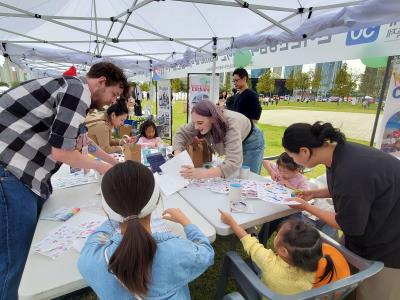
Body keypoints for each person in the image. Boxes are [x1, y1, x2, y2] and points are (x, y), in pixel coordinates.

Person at [0, 62, 129, 298]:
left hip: (19, 172)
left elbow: (84, 142)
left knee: (25, 251)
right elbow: (60, 153)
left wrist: (114, 164)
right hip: (9, 172)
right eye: (114, 93)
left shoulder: (73, 92)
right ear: (101, 81)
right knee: (13, 259)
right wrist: (103, 168)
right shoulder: (77, 90)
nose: (112, 101)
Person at [282, 121, 400, 300]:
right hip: (369, 229)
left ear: (304, 151)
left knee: (373, 293)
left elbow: (348, 224)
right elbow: (348, 190)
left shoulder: (351, 170)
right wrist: (314, 193)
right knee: (343, 281)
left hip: (390, 243)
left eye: (292, 156)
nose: (294, 160)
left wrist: (306, 206)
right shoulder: (338, 154)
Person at [78, 161, 214, 299]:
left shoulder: (90, 258)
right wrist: (186, 222)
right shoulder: (176, 251)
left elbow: (97, 237)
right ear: (156, 202)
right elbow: (206, 253)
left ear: (106, 209)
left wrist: (120, 212)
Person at [218, 212, 340, 296]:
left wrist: (231, 222)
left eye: (277, 234)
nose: (276, 235)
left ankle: (252, 233)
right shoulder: (314, 266)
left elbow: (250, 244)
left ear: (283, 251)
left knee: (252, 258)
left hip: (266, 293)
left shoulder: (269, 263)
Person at [173, 100, 265, 178]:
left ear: (213, 119)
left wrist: (203, 173)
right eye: (194, 123)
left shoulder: (231, 124)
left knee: (248, 177)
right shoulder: (199, 119)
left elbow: (233, 162)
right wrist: (178, 156)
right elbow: (181, 134)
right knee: (232, 176)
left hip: (251, 140)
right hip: (240, 133)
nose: (196, 127)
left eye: (200, 123)